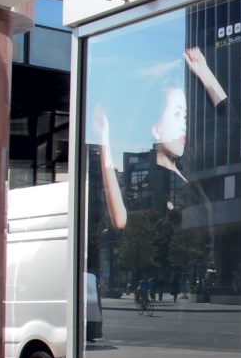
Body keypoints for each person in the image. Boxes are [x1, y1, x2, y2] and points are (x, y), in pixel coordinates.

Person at [91, 47, 227, 229]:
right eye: (177, 114)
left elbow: (231, 123)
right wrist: (104, 139)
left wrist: (204, 72)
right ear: (156, 129)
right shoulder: (151, 180)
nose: (184, 124)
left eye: (185, 116)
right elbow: (120, 220)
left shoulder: (189, 167)